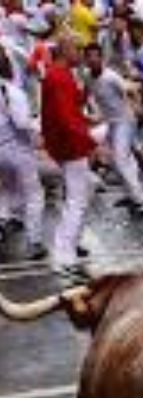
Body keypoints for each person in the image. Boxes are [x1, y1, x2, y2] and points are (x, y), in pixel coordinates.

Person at [41, 32, 97, 280]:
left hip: (67, 144)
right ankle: (63, 256)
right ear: (65, 51)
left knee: (85, 191)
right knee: (77, 200)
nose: (81, 55)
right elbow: (66, 119)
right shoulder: (59, 77)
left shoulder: (59, 74)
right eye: (77, 49)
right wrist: (92, 143)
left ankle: (70, 245)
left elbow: (70, 112)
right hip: (71, 146)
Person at [84, 43, 143, 218]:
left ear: (101, 58)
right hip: (111, 123)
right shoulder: (88, 77)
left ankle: (141, 201)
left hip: (125, 122)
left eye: (95, 56)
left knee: (120, 160)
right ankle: (132, 194)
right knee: (119, 161)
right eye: (88, 57)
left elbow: (131, 90)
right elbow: (85, 94)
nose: (92, 60)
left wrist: (138, 107)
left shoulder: (111, 77)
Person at [0, 43, 44, 257]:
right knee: (34, 194)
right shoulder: (12, 91)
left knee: (7, 189)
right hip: (17, 149)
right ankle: (35, 241)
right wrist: (40, 127)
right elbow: (22, 123)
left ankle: (4, 220)